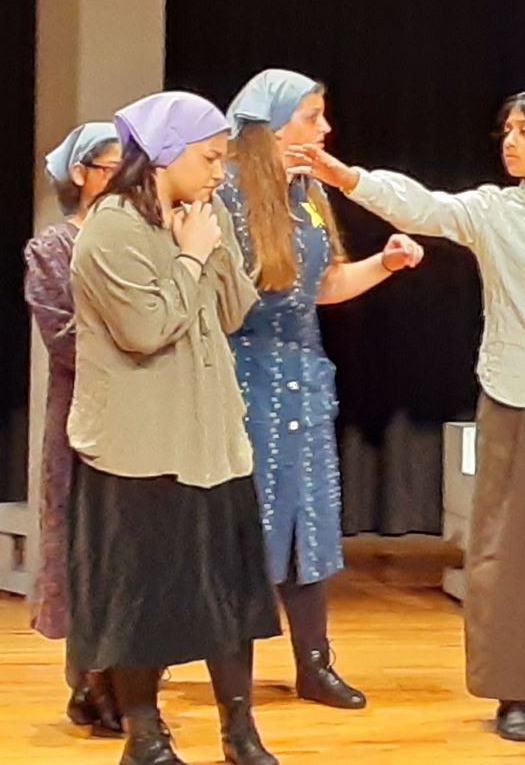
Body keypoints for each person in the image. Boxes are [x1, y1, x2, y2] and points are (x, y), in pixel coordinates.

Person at [297, 89, 525, 742]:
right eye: (507, 130)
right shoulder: (492, 209)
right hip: (515, 391)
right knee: (507, 543)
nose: (510, 141)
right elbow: (424, 206)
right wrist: (345, 176)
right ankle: (514, 688)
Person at [67, 91, 281, 765]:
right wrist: (189, 257)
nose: (221, 171)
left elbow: (235, 309)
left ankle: (240, 730)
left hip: (213, 441)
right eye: (210, 157)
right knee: (143, 599)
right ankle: (145, 735)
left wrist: (212, 246)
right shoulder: (110, 230)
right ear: (165, 154)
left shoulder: (199, 214)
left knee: (229, 593)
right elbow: (145, 331)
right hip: (141, 448)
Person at [219, 68, 424, 709]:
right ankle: (233, 677)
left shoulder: (305, 192)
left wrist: (384, 265)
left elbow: (324, 285)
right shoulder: (224, 195)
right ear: (270, 128)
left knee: (308, 525)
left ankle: (315, 663)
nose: (325, 128)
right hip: (243, 380)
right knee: (246, 529)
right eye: (312, 116)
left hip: (303, 378)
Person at [25, 122, 122, 733]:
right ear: (82, 174)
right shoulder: (52, 248)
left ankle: (129, 676)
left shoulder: (148, 242)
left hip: (145, 417)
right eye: (113, 168)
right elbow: (66, 340)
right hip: (83, 417)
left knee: (129, 546)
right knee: (83, 540)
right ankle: (89, 678)